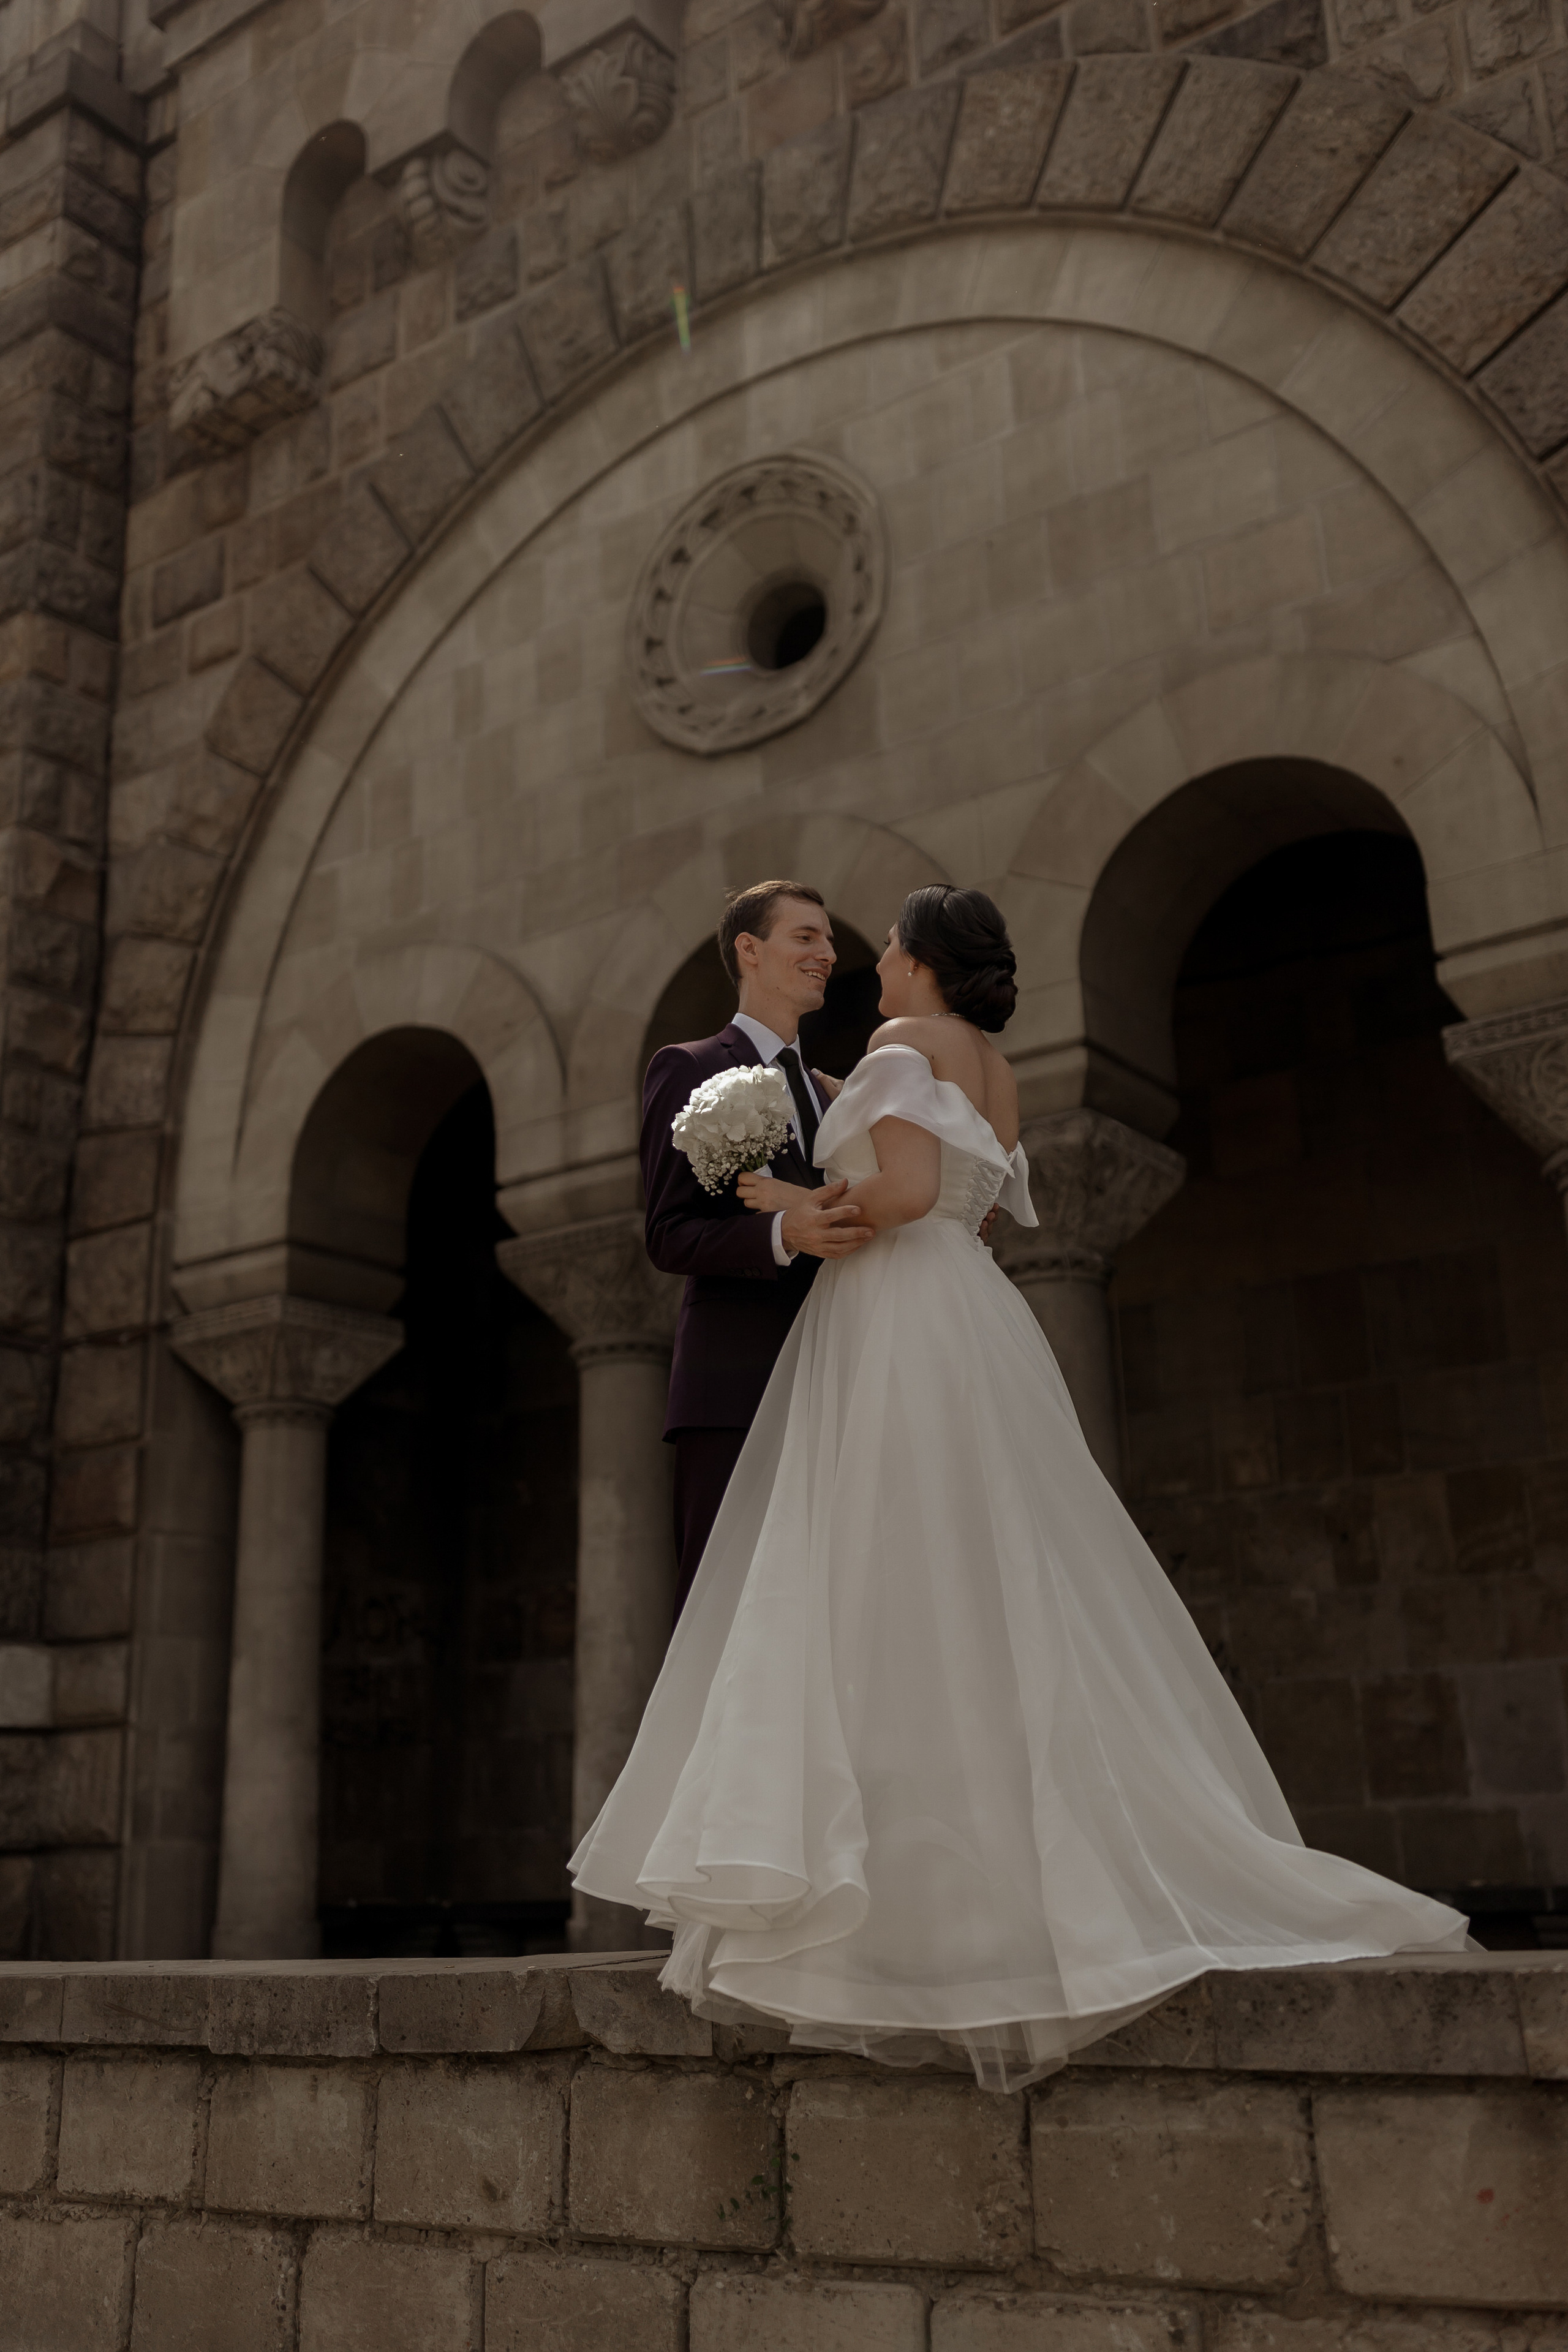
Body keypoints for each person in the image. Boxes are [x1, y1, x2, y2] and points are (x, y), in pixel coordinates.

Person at [587, 884, 1470, 2091]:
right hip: (943, 1326)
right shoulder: (894, 1064)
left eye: (875, 946)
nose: (853, 957)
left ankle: (904, 1902)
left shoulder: (889, 1053)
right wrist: (782, 1210)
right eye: (811, 938)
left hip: (891, 1330)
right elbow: (939, 1203)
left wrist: (791, 1205)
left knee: (889, 1590)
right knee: (966, 1582)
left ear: (923, 964)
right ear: (745, 951)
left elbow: (894, 1198)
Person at [641, 880, 874, 1623]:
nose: (827, 954)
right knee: (726, 1611)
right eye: (806, 937)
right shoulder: (688, 1067)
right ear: (750, 950)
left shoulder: (832, 1094)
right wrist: (781, 1233)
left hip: (834, 1377)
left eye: (828, 940)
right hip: (734, 1383)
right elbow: (669, 1232)